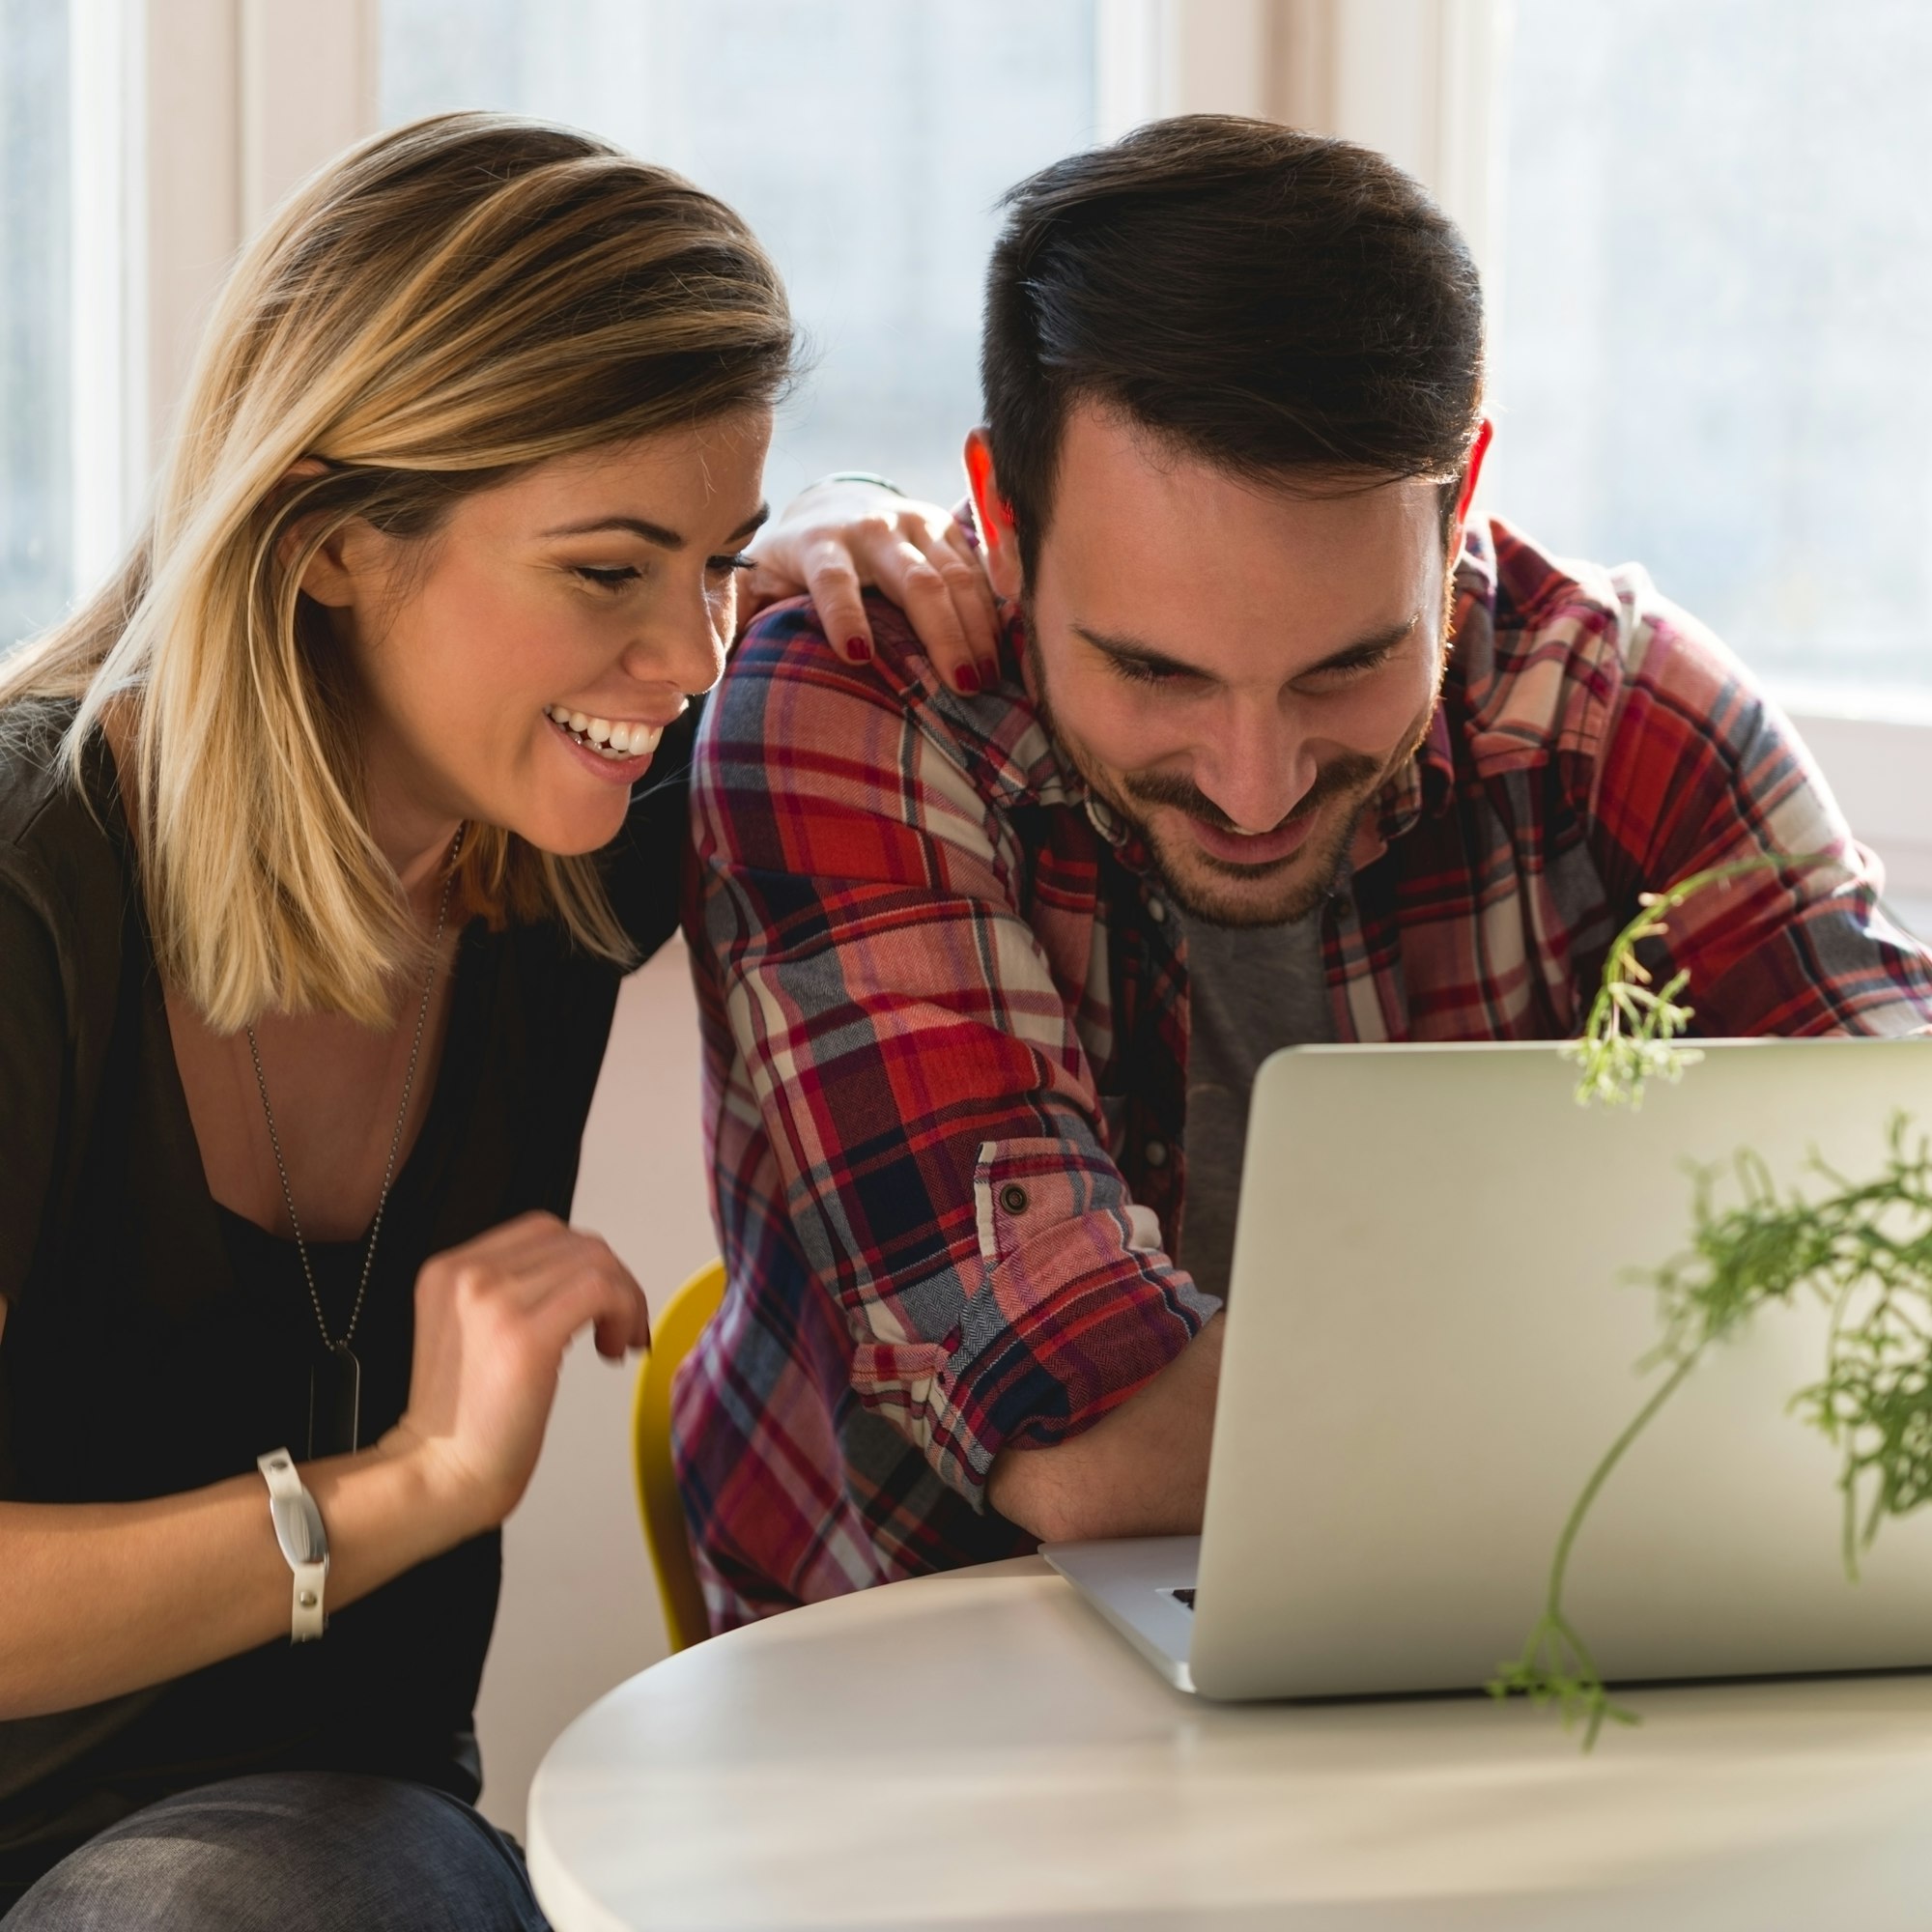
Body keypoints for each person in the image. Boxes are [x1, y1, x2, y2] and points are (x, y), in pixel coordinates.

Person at [679, 114, 1932, 1632]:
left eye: (1350, 665)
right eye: (1155, 672)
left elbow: (1905, 1272)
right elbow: (1082, 1447)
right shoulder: (853, 698)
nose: (1253, 783)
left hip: (1512, 1666)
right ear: (1003, 520)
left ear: (1459, 498)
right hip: (922, 1702)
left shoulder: (1628, 713)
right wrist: (1676, 1375)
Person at [0, 111, 981, 1927]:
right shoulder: (28, 881)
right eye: (610, 574)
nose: (689, 658)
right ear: (328, 543)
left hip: (355, 1858)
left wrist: (842, 539)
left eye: (717, 560)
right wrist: (409, 1488)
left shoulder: (566, 827)